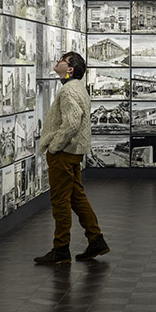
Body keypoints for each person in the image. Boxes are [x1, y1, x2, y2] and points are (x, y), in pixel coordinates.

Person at [35, 51, 110, 265]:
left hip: (64, 154)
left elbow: (72, 122)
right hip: (74, 153)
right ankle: (96, 240)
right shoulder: (78, 88)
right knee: (77, 198)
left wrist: (54, 147)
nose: (57, 61)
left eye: (63, 60)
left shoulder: (68, 91)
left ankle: (61, 249)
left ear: (70, 69)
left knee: (60, 202)